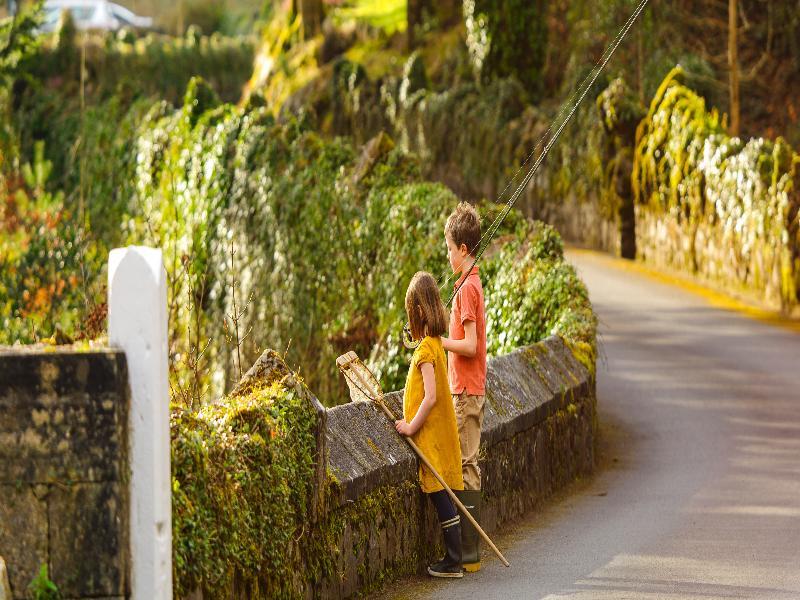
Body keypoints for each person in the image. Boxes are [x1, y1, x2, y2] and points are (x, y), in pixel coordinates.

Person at [395, 271, 464, 578]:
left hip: (431, 436)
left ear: (418, 311)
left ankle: (453, 560)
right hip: (439, 433)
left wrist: (410, 428)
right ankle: (456, 557)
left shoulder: (425, 350)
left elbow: (431, 396)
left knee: (439, 494)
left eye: (410, 312)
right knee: (443, 494)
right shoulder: (436, 343)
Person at [442, 201, 487, 573]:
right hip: (464, 389)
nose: (447, 254)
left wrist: (441, 342)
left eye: (449, 248)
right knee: (464, 462)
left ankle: (468, 553)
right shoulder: (465, 285)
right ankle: (467, 551)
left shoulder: (468, 289)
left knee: (467, 464)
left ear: (463, 249)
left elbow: (471, 346)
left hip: (467, 390)